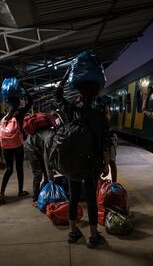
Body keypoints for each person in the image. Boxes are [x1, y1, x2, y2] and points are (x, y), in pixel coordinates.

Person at [54, 71, 111, 248]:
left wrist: (66, 76)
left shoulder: (72, 111)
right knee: (92, 200)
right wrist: (106, 164)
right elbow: (105, 144)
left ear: (79, 95)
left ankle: (73, 233)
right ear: (94, 97)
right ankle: (94, 237)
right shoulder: (99, 116)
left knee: (74, 197)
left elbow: (57, 95)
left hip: (73, 164)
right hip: (92, 163)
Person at [0, 93, 33, 206]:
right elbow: (31, 102)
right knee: (19, 168)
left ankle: (1, 193)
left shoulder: (4, 117)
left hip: (6, 146)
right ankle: (20, 191)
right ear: (18, 104)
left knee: (9, 169)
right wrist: (24, 90)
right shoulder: (20, 114)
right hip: (17, 145)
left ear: (8, 104)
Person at [24, 122, 54, 207]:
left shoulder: (52, 136)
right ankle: (36, 198)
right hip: (31, 148)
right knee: (38, 173)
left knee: (45, 172)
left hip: (37, 147)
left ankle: (46, 194)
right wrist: (51, 178)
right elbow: (46, 159)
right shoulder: (50, 139)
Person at [97, 97, 118, 182]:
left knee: (111, 162)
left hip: (109, 140)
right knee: (111, 163)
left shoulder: (104, 118)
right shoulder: (104, 117)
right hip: (107, 140)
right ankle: (113, 183)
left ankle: (114, 183)